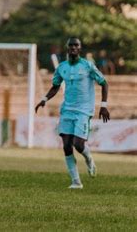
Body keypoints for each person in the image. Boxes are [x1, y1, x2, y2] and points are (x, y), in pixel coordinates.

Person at [36, 37, 110, 189]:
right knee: (66, 146)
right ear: (67, 48)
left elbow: (104, 83)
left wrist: (103, 106)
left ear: (80, 48)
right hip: (67, 111)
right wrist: (44, 99)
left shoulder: (88, 66)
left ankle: (89, 159)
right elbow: (55, 86)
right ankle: (76, 182)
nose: (73, 47)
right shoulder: (62, 67)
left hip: (83, 111)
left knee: (78, 144)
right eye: (71, 45)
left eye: (76, 45)